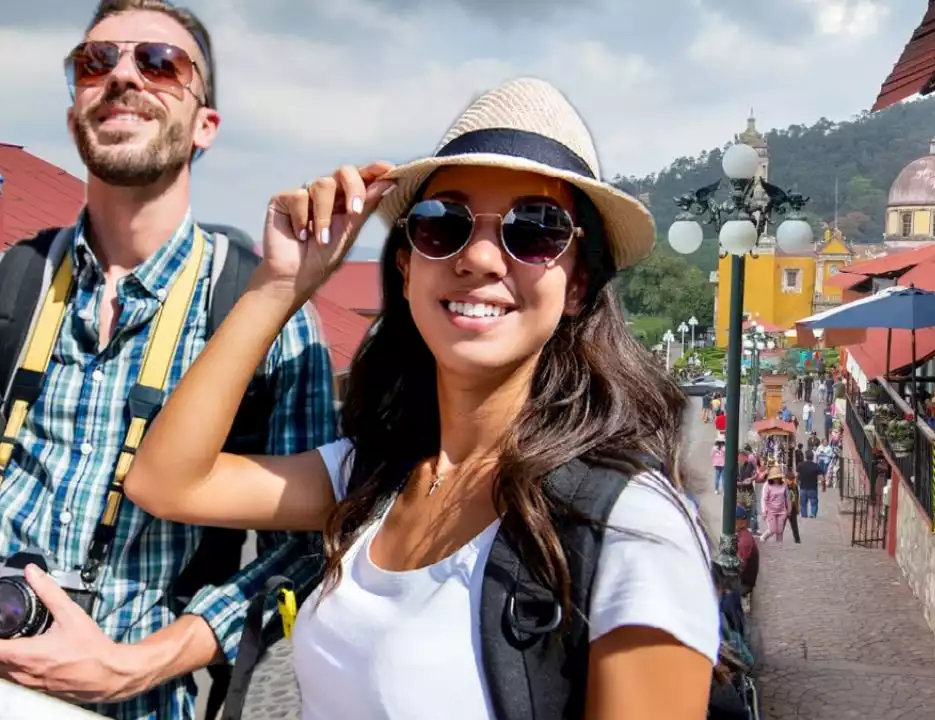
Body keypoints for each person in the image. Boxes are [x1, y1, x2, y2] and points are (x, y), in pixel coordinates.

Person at [126, 77, 718, 717]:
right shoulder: (376, 475)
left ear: (577, 285)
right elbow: (166, 482)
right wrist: (278, 285)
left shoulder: (628, 524)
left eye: (536, 228)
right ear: (407, 265)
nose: (483, 257)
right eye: (445, 224)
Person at [0, 2, 335, 717]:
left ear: (203, 126)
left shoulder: (265, 312)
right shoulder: (14, 280)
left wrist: (134, 664)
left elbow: (306, 550)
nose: (123, 76)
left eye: (159, 63)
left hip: (136, 704)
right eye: (96, 63)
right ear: (73, 116)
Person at [759, 466, 789, 542]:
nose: (776, 479)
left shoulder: (784, 485)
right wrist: (763, 511)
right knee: (772, 530)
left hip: (782, 511)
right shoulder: (767, 485)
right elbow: (764, 499)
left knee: (780, 531)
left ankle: (779, 546)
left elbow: (787, 497)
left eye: (778, 477)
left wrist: (789, 509)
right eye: (775, 477)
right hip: (770, 511)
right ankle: (763, 538)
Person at [796, 451, 822, 518]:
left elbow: (797, 476)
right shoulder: (816, 466)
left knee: (803, 504)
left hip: (803, 487)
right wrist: (822, 484)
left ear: (805, 456)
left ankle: (804, 515)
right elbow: (821, 477)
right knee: (814, 502)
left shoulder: (800, 465)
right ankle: (812, 514)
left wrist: (797, 483)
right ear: (813, 457)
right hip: (812, 488)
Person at [784, 471, 801, 544]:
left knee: (794, 525)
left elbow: (797, 497)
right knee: (781, 525)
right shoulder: (783, 487)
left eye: (792, 479)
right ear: (786, 479)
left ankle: (797, 539)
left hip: (793, 508)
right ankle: (778, 539)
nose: (791, 481)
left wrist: (797, 508)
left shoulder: (795, 486)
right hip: (784, 508)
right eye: (789, 479)